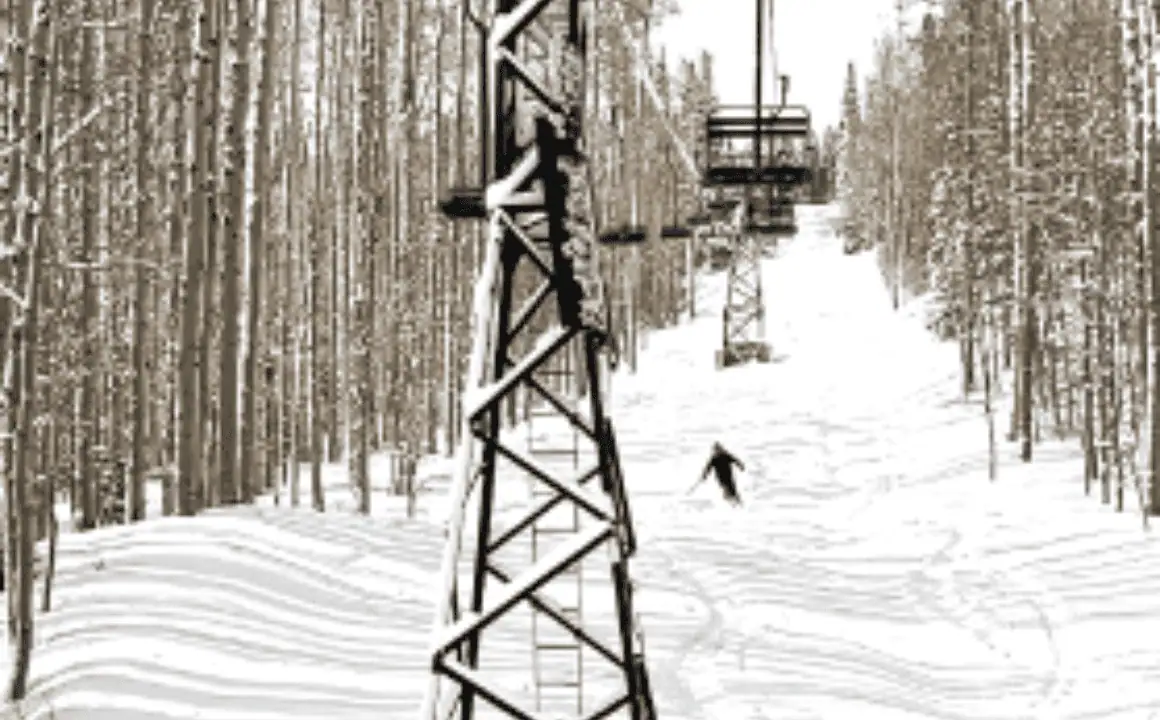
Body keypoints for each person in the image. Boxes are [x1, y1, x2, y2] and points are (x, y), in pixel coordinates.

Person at [691, 441, 746, 506]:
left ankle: (736, 500)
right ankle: (730, 499)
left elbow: (735, 460)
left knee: (732, 487)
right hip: (721, 477)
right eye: (716, 450)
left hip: (728, 475)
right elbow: (708, 468)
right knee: (726, 487)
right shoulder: (714, 458)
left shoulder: (726, 455)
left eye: (718, 449)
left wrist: (741, 466)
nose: (717, 451)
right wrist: (704, 475)